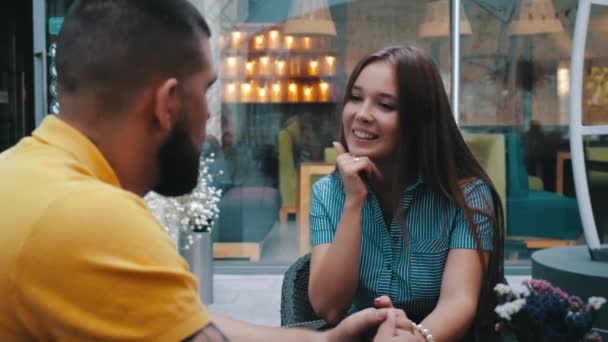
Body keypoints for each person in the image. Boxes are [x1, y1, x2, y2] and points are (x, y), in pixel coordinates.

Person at [0, 1, 411, 341]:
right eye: (206, 91)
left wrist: (325, 339)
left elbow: (187, 322)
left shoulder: (22, 173)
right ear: (168, 104)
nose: (211, 113)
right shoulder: (95, 219)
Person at [308, 44, 505, 341]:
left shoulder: (468, 196)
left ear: (420, 119)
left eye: (385, 105)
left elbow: (459, 302)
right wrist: (354, 201)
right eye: (356, 98)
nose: (361, 114)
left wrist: (416, 338)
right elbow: (329, 309)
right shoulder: (328, 193)